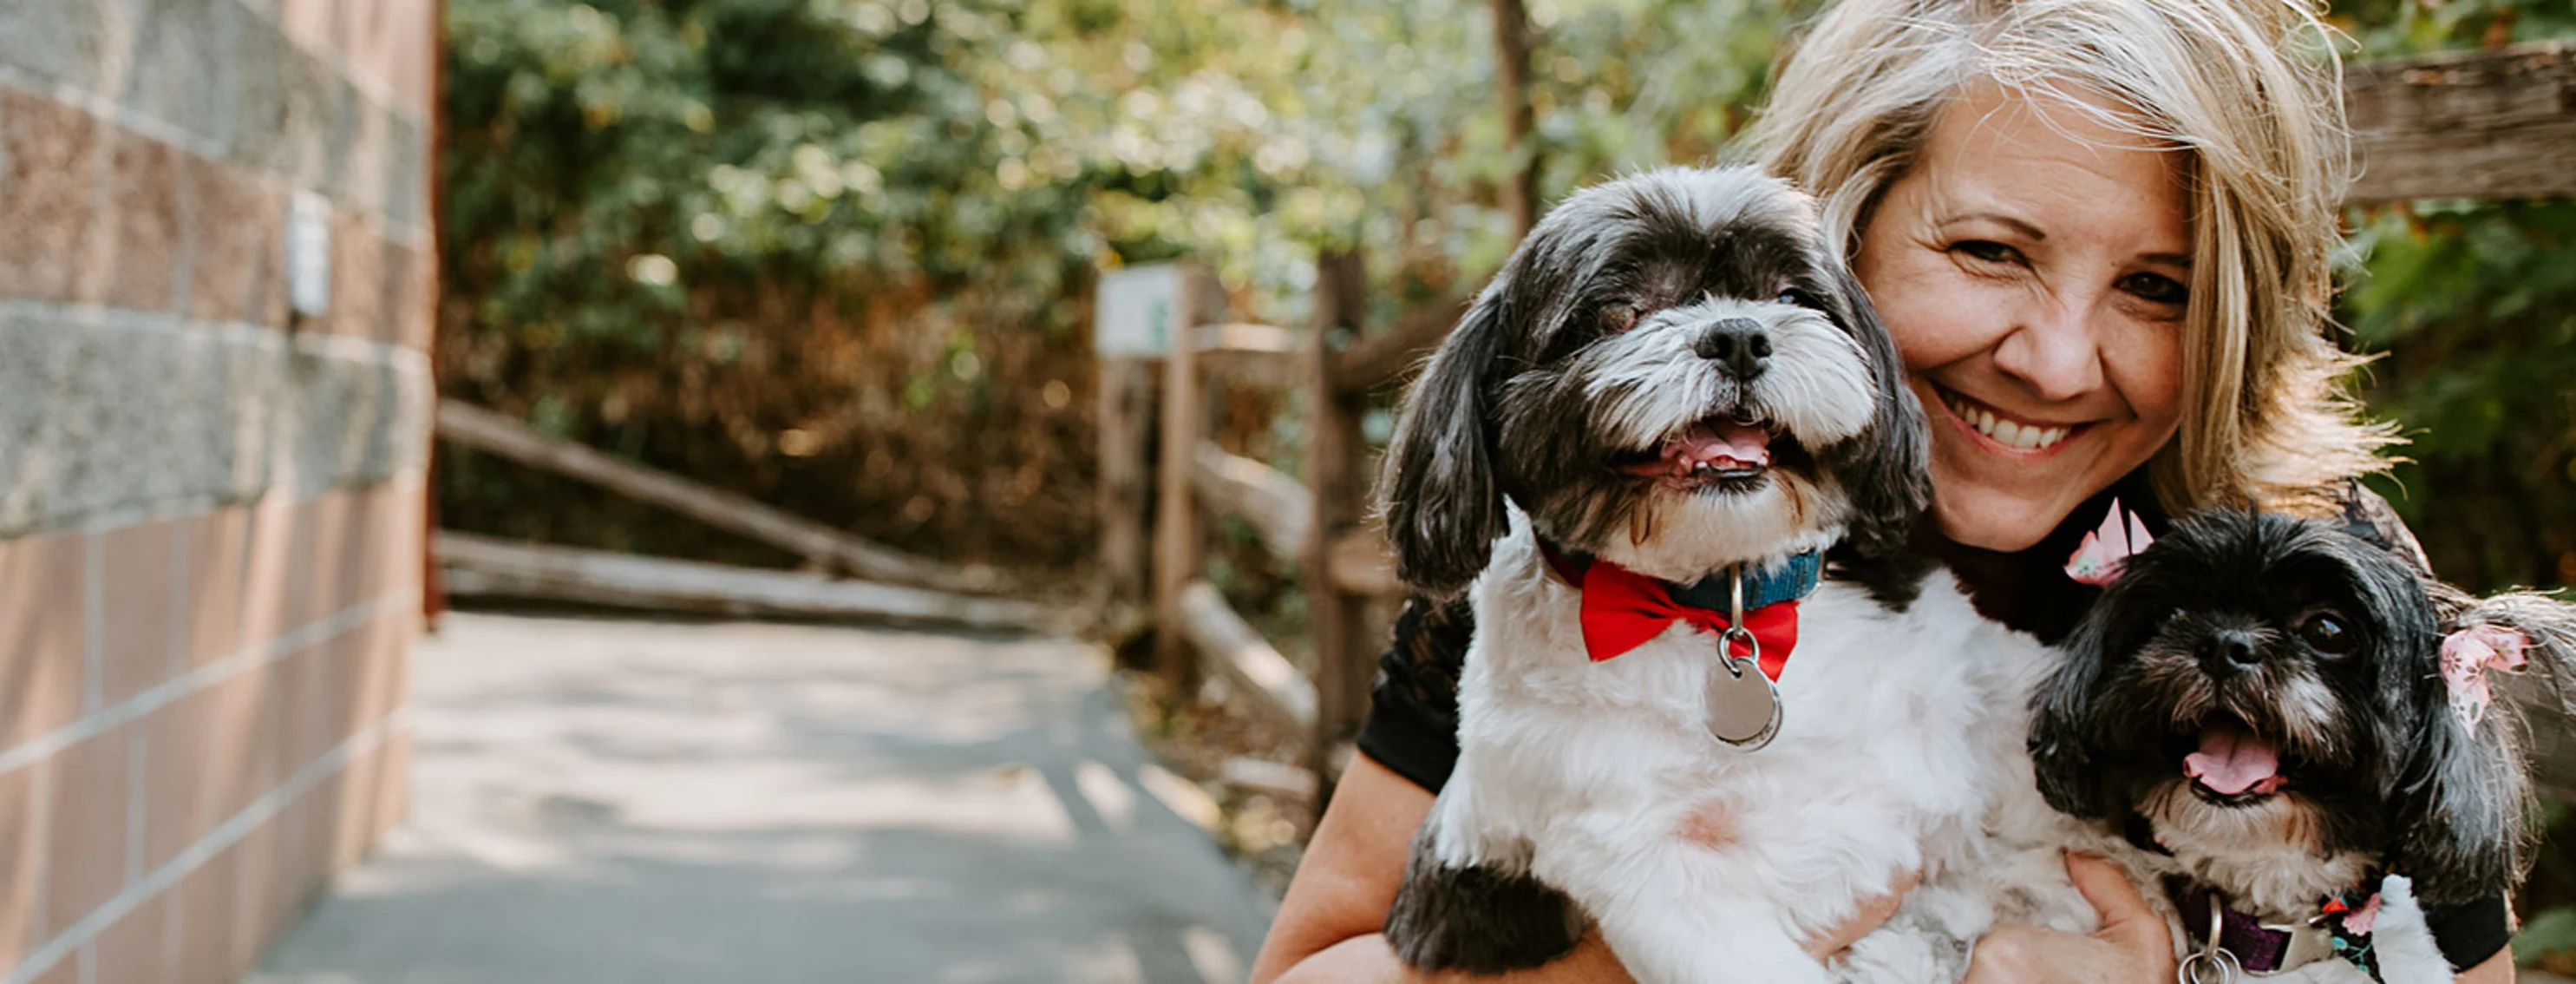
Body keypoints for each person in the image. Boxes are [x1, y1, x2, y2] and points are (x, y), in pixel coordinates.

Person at [1248, 0, 2524, 981]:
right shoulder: (1592, 554)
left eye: (2157, 288)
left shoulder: (2319, 585)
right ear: (1836, 231)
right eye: (1985, 252)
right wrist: (1675, 938)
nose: (2055, 359)